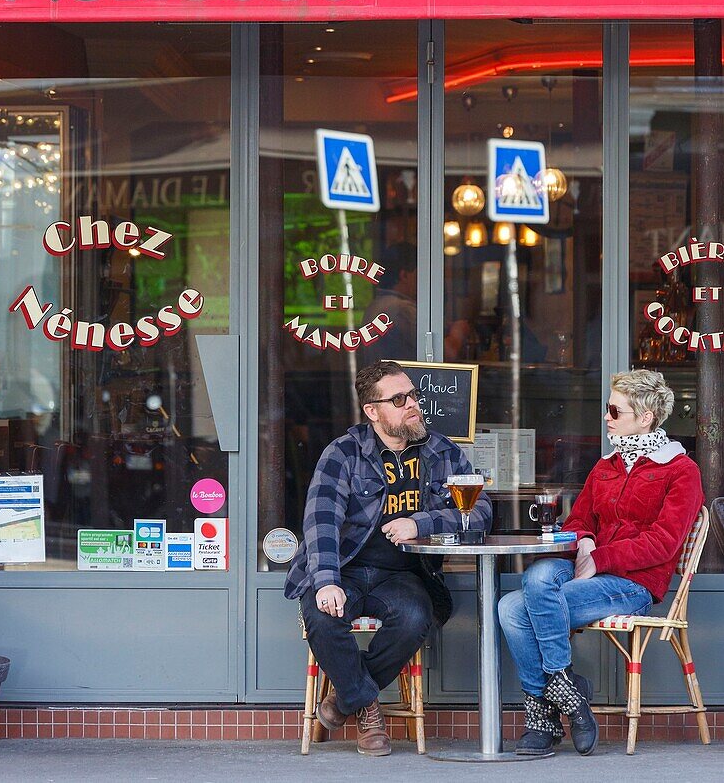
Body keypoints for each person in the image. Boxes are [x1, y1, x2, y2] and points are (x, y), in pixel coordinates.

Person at [285, 358, 492, 756]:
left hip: (402, 574)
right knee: (323, 618)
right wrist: (326, 579)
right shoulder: (344, 453)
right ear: (372, 411)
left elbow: (480, 512)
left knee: (416, 618)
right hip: (344, 568)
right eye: (399, 399)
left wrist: (424, 522)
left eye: (413, 394)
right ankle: (365, 706)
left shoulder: (442, 451)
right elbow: (320, 520)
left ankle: (345, 700)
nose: (413, 403)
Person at [498, 369, 704, 758]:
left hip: (633, 583)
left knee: (512, 607)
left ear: (645, 417)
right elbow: (579, 522)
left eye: (615, 410)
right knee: (537, 577)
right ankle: (567, 690)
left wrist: (601, 558)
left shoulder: (680, 470)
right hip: (587, 565)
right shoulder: (606, 466)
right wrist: (587, 542)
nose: (606, 417)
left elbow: (664, 542)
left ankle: (543, 715)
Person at [360, 242, 469, 363]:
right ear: (404, 275)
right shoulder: (401, 309)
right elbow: (446, 355)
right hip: (401, 380)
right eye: (420, 273)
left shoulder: (375, 305)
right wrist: (458, 331)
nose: (424, 280)